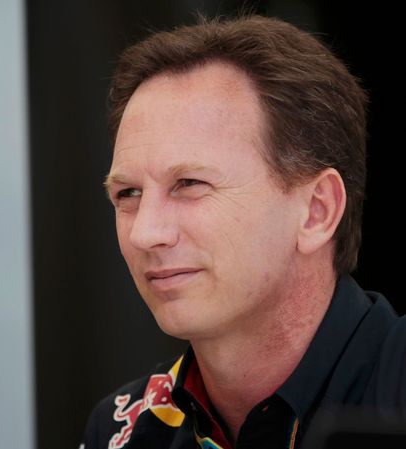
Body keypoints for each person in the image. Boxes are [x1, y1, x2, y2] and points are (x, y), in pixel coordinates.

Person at [80, 14, 406, 449]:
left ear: (316, 211)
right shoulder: (121, 429)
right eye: (127, 193)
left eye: (190, 184)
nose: (145, 233)